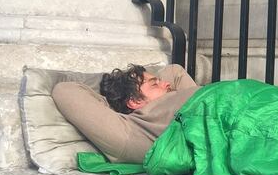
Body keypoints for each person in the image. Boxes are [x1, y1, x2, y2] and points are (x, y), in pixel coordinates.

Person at [52, 64, 200, 164]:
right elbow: (64, 90)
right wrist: (110, 94)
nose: (167, 84)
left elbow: (174, 71)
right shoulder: (133, 133)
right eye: (155, 84)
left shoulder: (177, 96)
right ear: (134, 102)